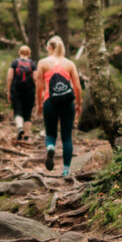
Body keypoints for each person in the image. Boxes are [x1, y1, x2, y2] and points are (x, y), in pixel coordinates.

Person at [34, 35, 82, 177]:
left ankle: (50, 147)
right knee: (67, 137)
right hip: (68, 102)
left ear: (50, 47)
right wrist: (79, 104)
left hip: (50, 101)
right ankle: (66, 170)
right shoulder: (70, 64)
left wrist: (39, 104)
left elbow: (38, 87)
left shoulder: (42, 63)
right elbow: (78, 88)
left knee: (50, 133)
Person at [6, 45, 36, 141]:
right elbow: (36, 79)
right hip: (29, 91)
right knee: (27, 113)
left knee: (18, 111)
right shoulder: (32, 64)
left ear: (19, 52)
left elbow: (10, 78)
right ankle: (26, 135)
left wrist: (8, 91)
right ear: (29, 53)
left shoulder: (14, 63)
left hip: (16, 90)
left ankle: (19, 128)